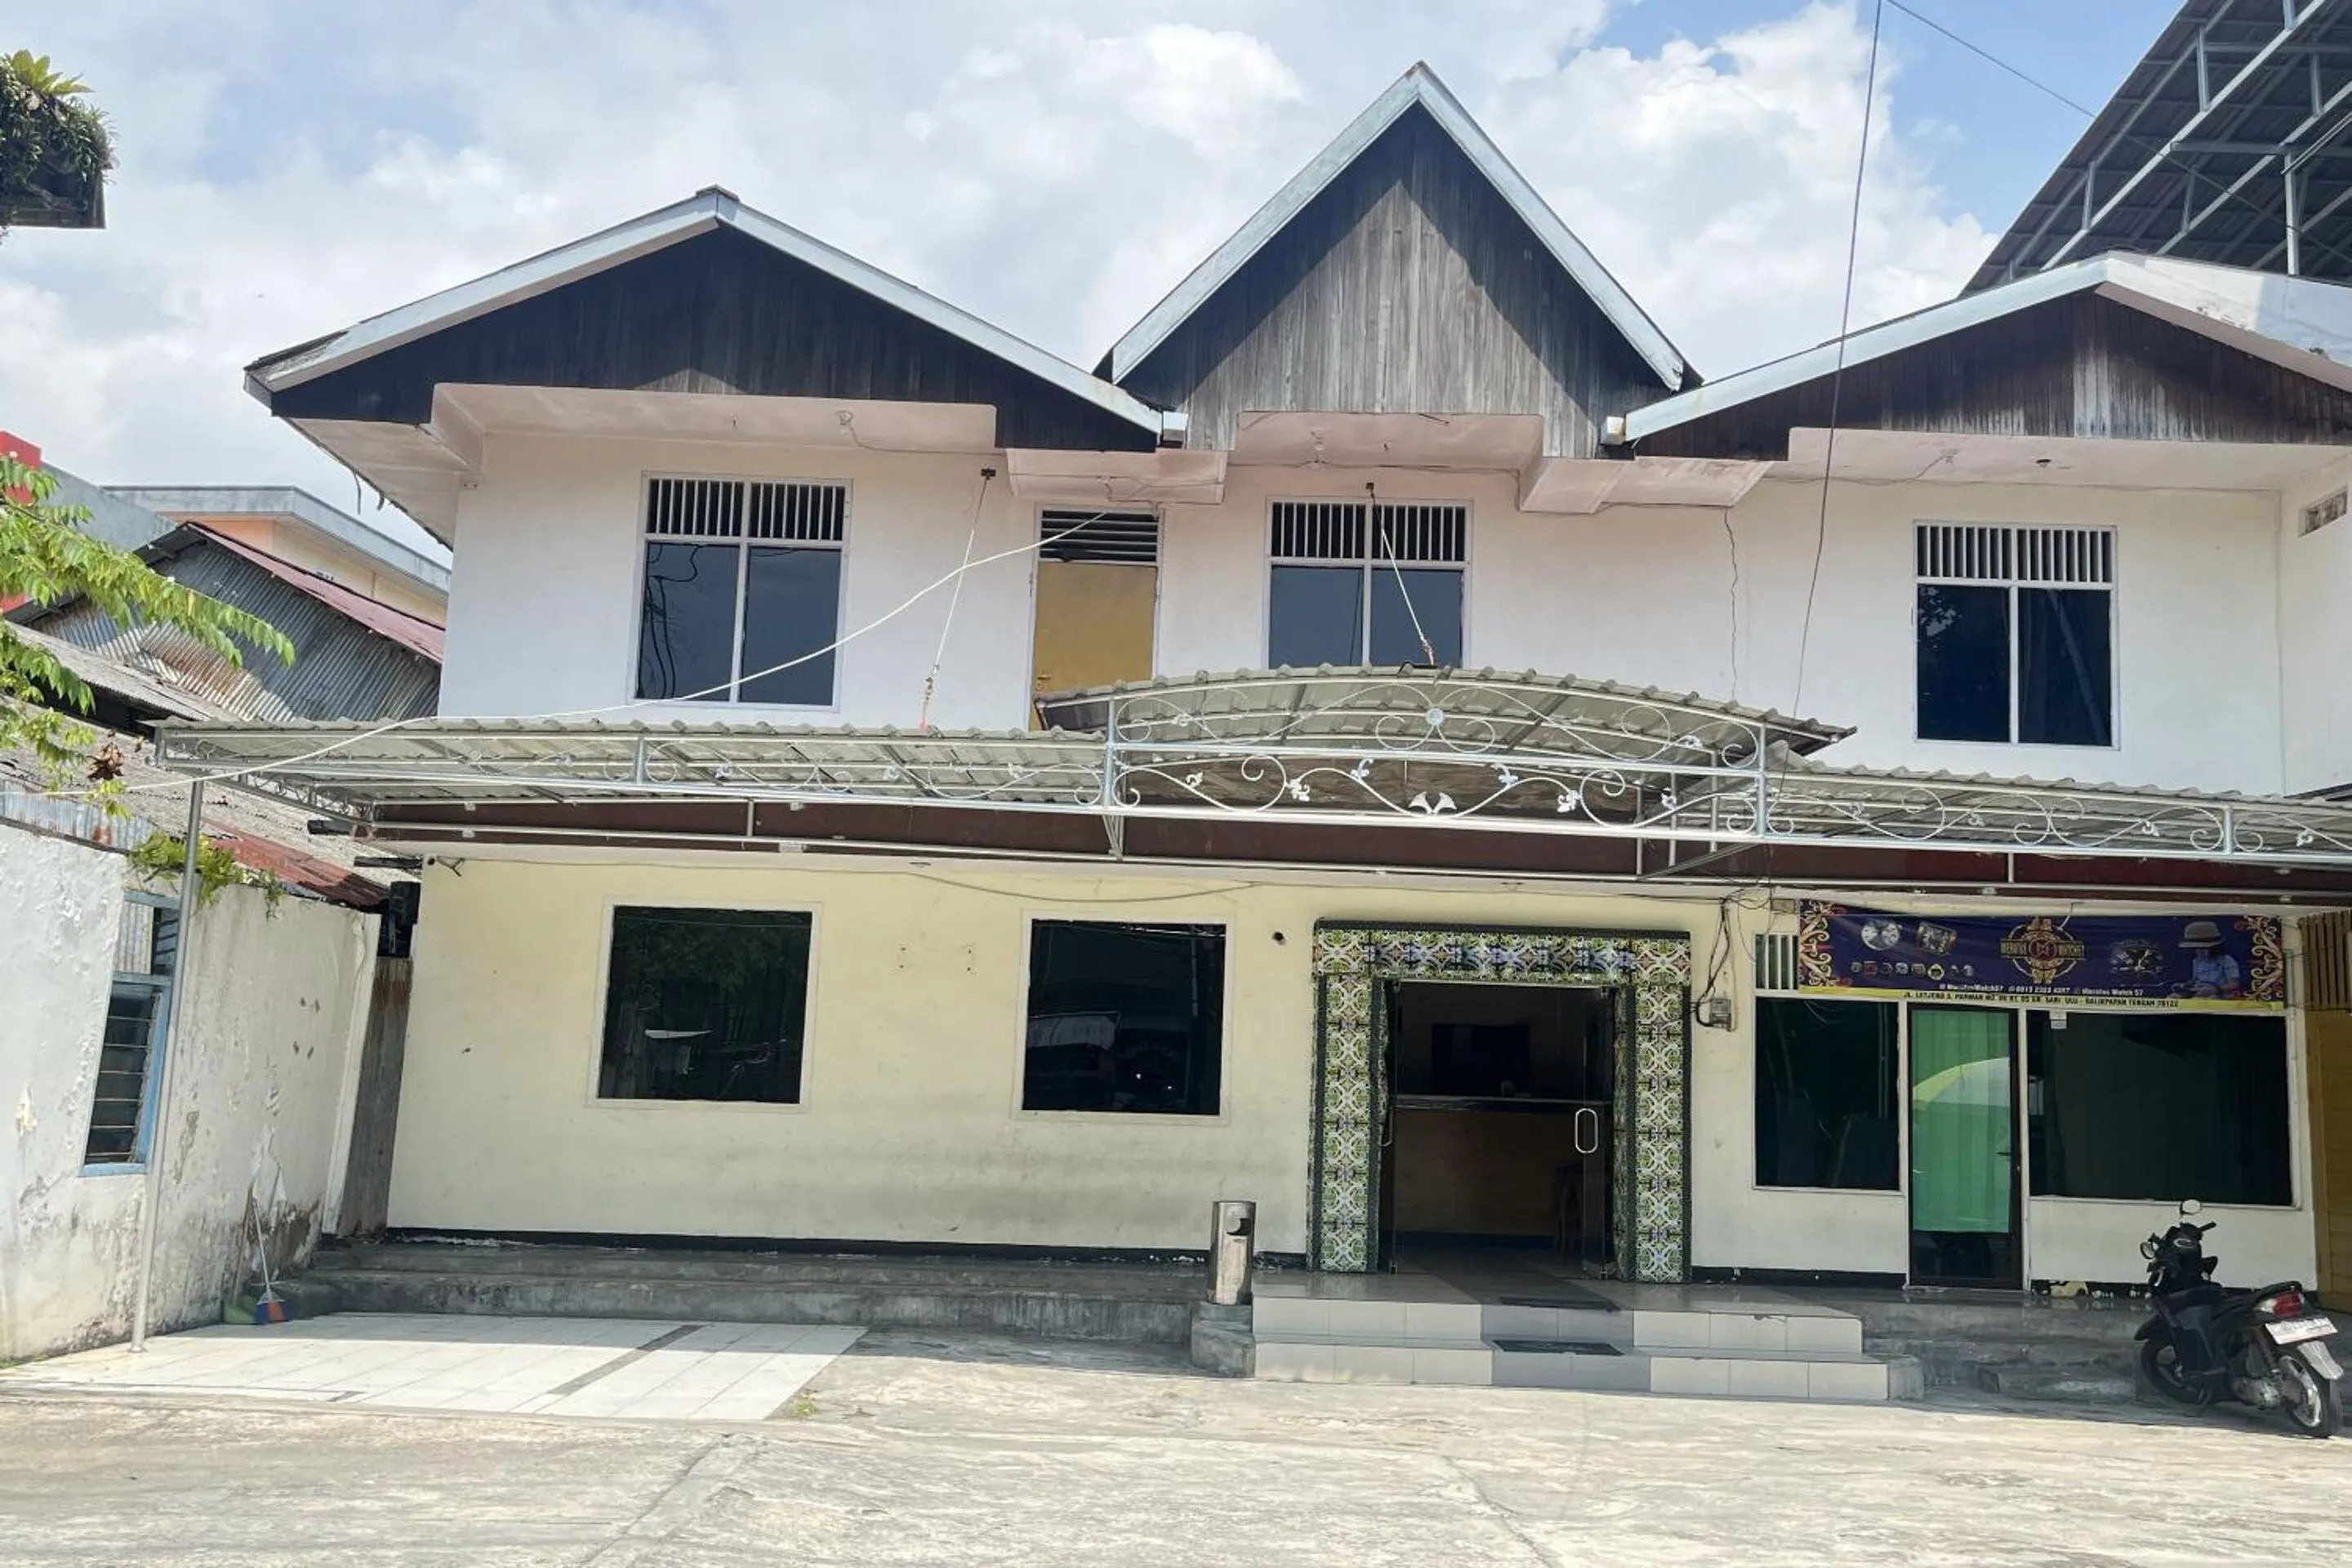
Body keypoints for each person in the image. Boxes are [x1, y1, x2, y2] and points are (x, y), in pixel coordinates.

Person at [2178, 920, 2243, 999]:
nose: (2200, 952)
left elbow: (2234, 985)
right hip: (2198, 990)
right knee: (2174, 997)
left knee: (2203, 999)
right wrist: (2184, 985)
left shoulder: (2227, 960)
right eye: (2197, 948)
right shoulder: (2196, 961)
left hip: (2219, 993)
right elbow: (2195, 980)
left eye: (2204, 948)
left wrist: (2216, 989)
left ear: (2214, 947)